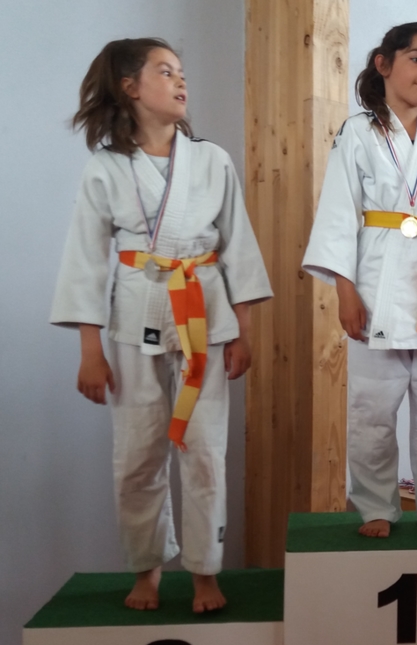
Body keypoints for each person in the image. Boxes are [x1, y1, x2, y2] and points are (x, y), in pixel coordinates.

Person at [50, 38, 273, 612]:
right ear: (130, 87)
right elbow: (85, 259)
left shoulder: (212, 161)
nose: (181, 82)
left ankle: (204, 572)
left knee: (205, 451)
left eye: (182, 73)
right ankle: (146, 568)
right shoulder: (105, 168)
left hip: (207, 316)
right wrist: (89, 350)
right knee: (136, 454)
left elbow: (238, 247)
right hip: (134, 317)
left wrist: (244, 331)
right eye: (166, 72)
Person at [302, 22, 417, 538]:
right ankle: (375, 508)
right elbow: (339, 212)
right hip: (376, 289)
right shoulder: (357, 133)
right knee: (372, 410)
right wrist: (344, 289)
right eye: (416, 59)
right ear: (383, 64)